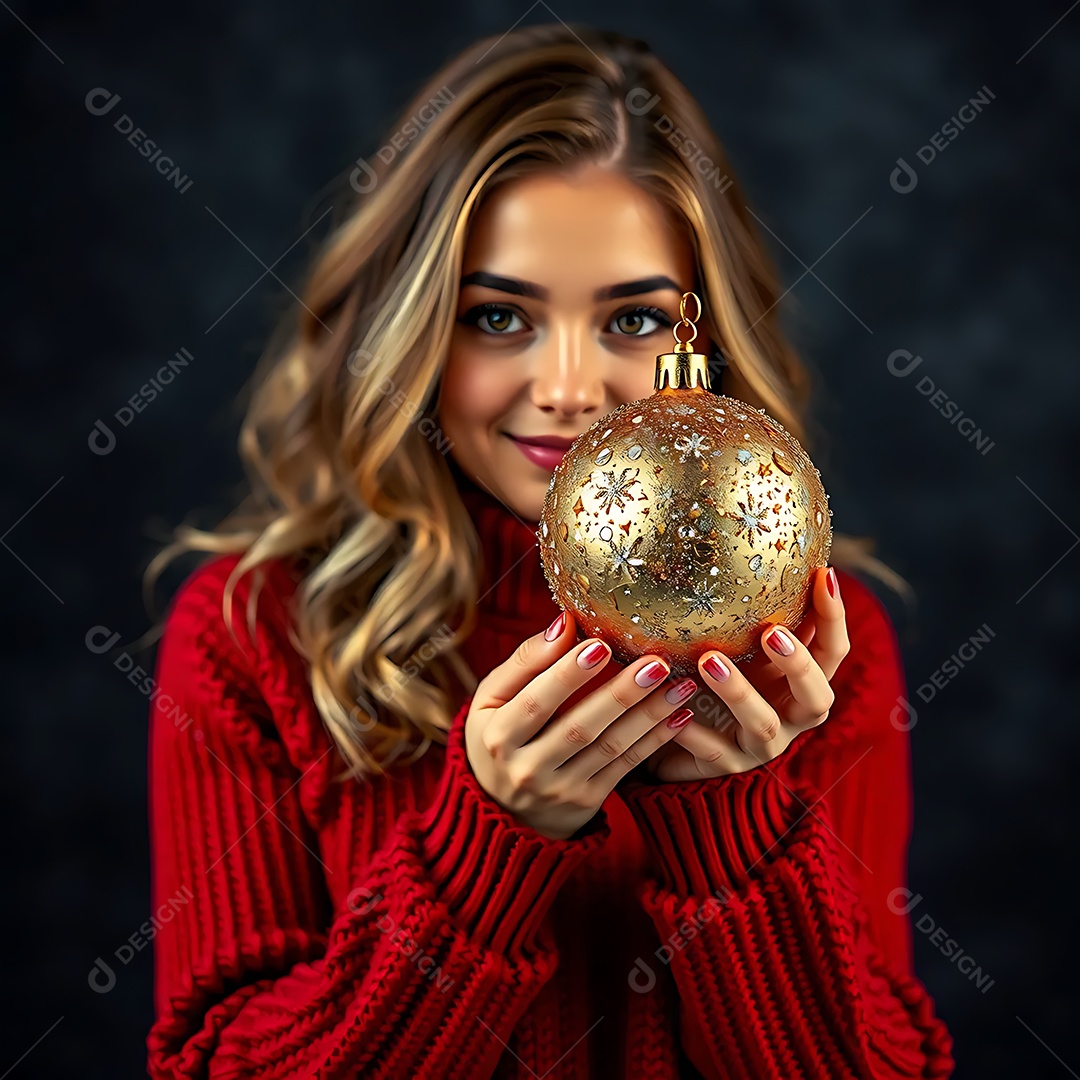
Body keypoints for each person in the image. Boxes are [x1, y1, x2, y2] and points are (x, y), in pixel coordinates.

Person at [143, 23, 954, 1079]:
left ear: (699, 348)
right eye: (497, 317)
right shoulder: (255, 635)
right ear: (413, 330)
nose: (570, 390)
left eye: (633, 321)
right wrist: (487, 846)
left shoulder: (812, 652)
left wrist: (733, 822)